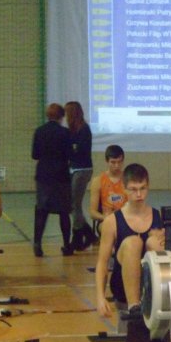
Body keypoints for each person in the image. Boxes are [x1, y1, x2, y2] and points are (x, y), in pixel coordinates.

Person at [95, 163, 165, 317]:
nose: (139, 194)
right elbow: (102, 262)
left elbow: (169, 256)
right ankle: (134, 307)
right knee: (133, 242)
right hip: (122, 285)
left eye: (143, 188)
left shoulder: (157, 216)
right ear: (124, 188)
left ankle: (161, 298)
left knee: (153, 243)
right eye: (133, 189)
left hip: (150, 286)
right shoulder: (112, 221)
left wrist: (163, 242)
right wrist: (100, 297)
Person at [31, 103, 73, 257]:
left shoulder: (39, 131)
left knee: (42, 210)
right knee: (64, 212)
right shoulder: (65, 133)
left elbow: (34, 155)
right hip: (61, 176)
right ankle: (66, 245)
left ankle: (37, 243)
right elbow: (70, 154)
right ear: (61, 117)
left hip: (43, 176)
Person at [65, 101, 96, 251]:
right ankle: (89, 234)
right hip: (74, 168)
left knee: (74, 204)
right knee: (73, 204)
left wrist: (71, 149)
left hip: (82, 169)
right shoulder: (72, 130)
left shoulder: (84, 129)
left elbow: (80, 150)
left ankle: (77, 237)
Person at [89, 145, 127, 234]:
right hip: (106, 220)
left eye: (119, 162)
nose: (117, 166)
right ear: (107, 161)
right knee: (111, 228)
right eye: (113, 162)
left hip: (127, 218)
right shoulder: (98, 181)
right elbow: (92, 212)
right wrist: (106, 217)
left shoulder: (129, 179)